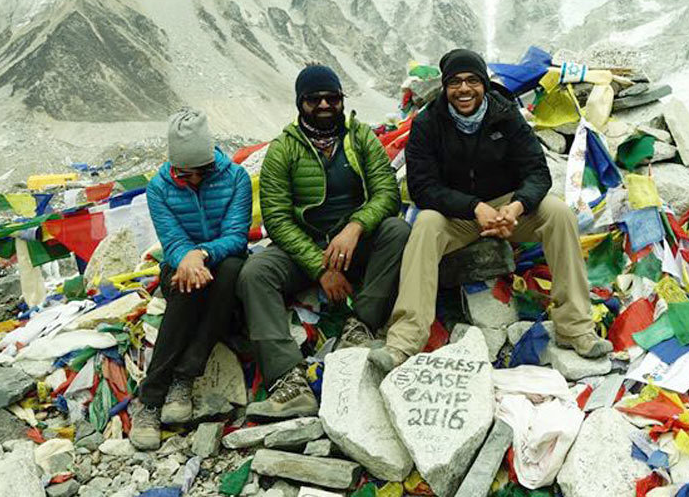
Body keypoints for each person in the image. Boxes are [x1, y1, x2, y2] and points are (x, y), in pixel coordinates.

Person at [369, 49, 612, 372]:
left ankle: (576, 328)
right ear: (445, 87)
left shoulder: (505, 114)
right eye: (455, 82)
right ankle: (404, 341)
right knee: (426, 224)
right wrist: (473, 208)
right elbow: (422, 187)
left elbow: (537, 172)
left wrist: (517, 206)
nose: (464, 89)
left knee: (558, 213)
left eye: (472, 80)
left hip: (508, 209)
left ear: (483, 84)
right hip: (457, 215)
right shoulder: (429, 123)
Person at [237, 64, 409, 419]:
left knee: (397, 231)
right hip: (305, 246)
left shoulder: (360, 137)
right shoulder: (283, 150)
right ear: (301, 103)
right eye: (315, 99)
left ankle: (359, 325)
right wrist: (320, 268)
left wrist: (356, 226)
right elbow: (277, 219)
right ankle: (289, 381)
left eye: (333, 97)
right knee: (255, 272)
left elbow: (386, 193)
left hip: (354, 243)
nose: (325, 105)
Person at [129, 108, 252, 450]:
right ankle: (151, 400)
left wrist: (202, 254)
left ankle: (185, 376)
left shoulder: (236, 178)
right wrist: (188, 258)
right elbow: (171, 241)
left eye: (203, 172)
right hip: (180, 262)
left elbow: (236, 236)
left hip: (222, 260)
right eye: (186, 175)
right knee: (186, 285)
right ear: (174, 169)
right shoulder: (158, 188)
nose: (195, 180)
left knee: (228, 271)